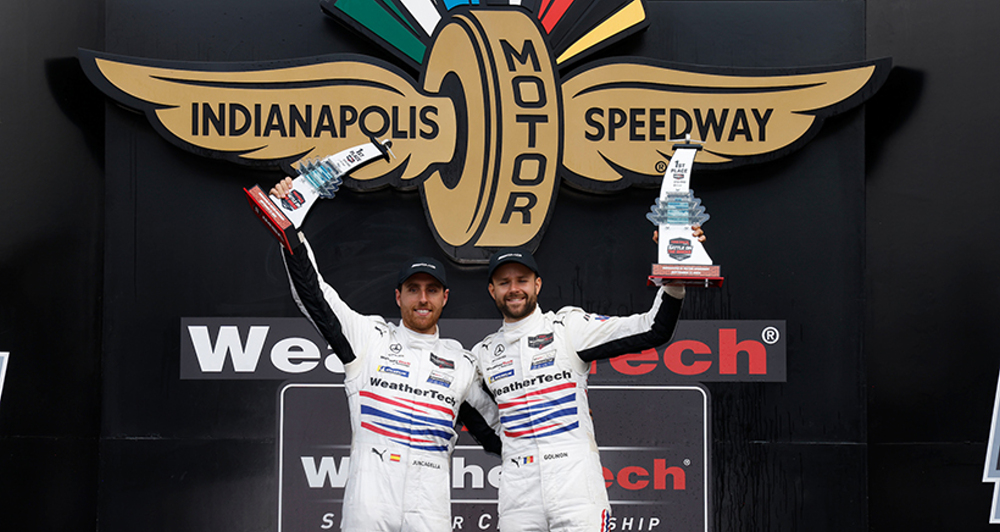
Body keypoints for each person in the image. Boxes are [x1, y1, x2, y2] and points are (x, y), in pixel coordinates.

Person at [270, 178, 500, 532]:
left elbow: (501, 434)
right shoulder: (369, 340)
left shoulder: (461, 366)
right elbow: (315, 297)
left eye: (431, 290)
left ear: (444, 298)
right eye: (413, 290)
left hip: (430, 512)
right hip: (370, 508)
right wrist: (289, 227)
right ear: (398, 297)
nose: (422, 299)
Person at [472, 228, 704, 532]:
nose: (514, 289)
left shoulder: (567, 328)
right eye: (504, 283)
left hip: (576, 483)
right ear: (492, 290)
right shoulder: (483, 354)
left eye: (522, 280)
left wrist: (674, 275)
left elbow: (653, 329)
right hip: (518, 490)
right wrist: (511, 445)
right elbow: (467, 407)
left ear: (537, 284)